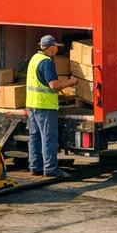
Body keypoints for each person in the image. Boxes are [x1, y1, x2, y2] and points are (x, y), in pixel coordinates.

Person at [25, 35, 78, 179]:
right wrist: (71, 82)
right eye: (56, 47)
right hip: (45, 107)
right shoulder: (46, 62)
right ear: (51, 47)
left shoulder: (34, 59)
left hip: (32, 105)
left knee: (34, 137)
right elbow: (53, 85)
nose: (57, 49)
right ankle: (50, 169)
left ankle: (35, 167)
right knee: (48, 138)